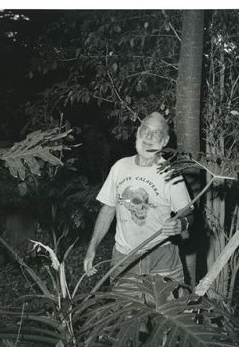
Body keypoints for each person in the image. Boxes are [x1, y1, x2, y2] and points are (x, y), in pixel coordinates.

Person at [83, 112, 193, 290]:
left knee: (167, 314)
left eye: (156, 133)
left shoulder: (171, 174)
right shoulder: (120, 167)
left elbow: (188, 214)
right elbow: (108, 210)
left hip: (162, 258)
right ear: (137, 133)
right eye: (146, 130)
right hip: (124, 259)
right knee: (127, 317)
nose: (149, 136)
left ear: (165, 141)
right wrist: (92, 248)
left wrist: (181, 223)